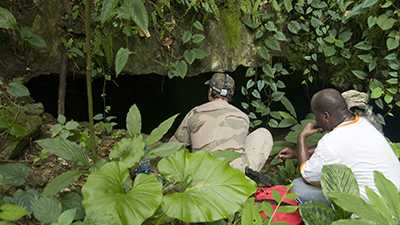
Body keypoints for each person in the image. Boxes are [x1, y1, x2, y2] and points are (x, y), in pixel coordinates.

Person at [278, 88, 400, 203]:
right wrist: (296, 153)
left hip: (372, 210)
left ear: (326, 116)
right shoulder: (364, 124)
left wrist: (302, 137)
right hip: (393, 200)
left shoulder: (330, 142)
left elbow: (307, 175)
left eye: (316, 116)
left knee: (298, 187)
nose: (315, 120)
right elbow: (342, 151)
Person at [170, 72, 273, 172]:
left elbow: (173, 147)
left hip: (202, 174)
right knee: (263, 133)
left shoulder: (196, 112)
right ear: (231, 94)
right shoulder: (243, 117)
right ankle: (248, 178)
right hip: (234, 176)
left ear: (210, 91)